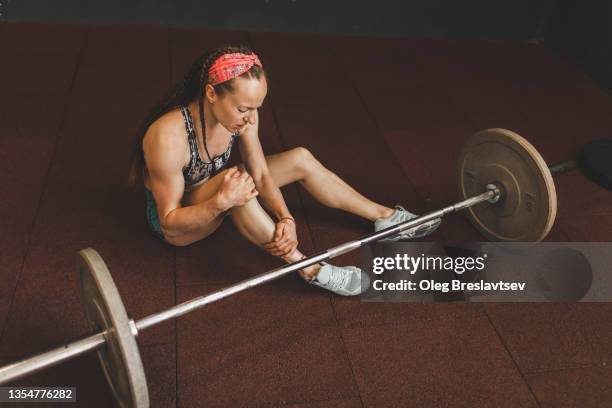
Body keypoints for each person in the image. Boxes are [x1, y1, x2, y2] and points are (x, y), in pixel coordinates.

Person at [128, 45, 440, 296]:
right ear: (211, 94)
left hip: (217, 189)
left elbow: (261, 174)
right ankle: (309, 268)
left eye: (257, 108)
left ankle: (384, 218)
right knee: (238, 186)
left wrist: (285, 217)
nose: (251, 119)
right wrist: (220, 202)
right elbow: (169, 224)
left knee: (299, 158)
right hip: (180, 222)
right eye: (243, 108)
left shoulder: (244, 116)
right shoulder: (166, 137)